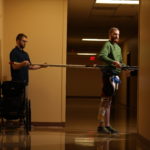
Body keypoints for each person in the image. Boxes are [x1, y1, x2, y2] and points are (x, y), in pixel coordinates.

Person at [97, 27, 126, 134]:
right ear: (110, 35)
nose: (117, 36)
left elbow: (121, 62)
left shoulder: (118, 48)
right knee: (105, 101)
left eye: (118, 34)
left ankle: (107, 125)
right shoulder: (107, 44)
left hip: (115, 76)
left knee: (109, 102)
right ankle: (100, 126)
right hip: (108, 75)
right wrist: (113, 62)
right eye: (114, 34)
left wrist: (126, 67)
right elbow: (102, 56)